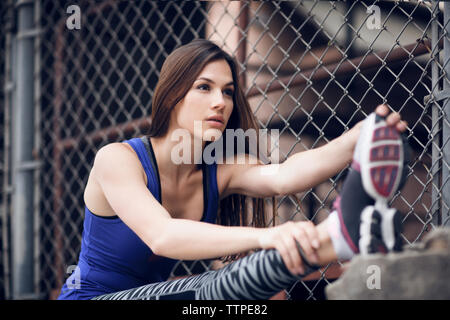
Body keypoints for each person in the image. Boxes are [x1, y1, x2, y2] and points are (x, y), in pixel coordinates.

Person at [57, 39, 409, 300]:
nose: (220, 103)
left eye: (227, 92)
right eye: (204, 88)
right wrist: (267, 236)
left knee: (263, 298)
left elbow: (283, 176)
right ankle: (332, 239)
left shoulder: (219, 170)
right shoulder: (117, 159)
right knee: (214, 289)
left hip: (159, 296)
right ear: (171, 96)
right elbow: (161, 235)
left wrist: (359, 137)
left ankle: (335, 238)